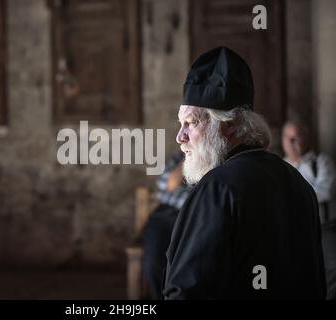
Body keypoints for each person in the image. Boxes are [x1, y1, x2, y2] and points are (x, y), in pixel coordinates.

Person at [163, 46, 326, 299]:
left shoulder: (216, 188)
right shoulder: (296, 181)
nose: (180, 137)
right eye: (180, 124)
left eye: (191, 123)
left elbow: (185, 293)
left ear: (229, 124)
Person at [141, 151, 189, 300]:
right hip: (165, 216)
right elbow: (168, 183)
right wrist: (192, 156)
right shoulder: (180, 157)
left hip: (193, 216)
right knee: (153, 263)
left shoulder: (222, 160)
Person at [282, 120, 335, 223]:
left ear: (306, 138)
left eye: (295, 137)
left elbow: (324, 192)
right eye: (286, 137)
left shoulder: (322, 162)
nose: (290, 142)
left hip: (322, 228)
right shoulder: (280, 166)